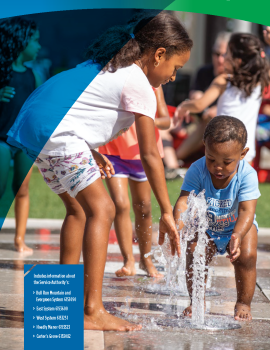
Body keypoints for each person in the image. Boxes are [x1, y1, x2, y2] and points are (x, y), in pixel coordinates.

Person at [6, 12, 192, 331]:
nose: (174, 77)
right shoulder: (138, 82)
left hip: (38, 129)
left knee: (78, 211)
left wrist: (91, 151)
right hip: (57, 134)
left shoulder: (110, 65)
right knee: (102, 209)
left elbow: (73, 105)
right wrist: (166, 212)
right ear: (159, 54)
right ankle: (91, 310)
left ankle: (65, 300)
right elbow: (150, 153)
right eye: (175, 68)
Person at [174, 116, 260, 321]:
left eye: (227, 162)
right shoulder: (197, 169)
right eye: (211, 159)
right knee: (195, 253)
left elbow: (247, 211)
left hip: (238, 227)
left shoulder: (247, 175)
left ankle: (243, 302)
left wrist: (237, 234)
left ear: (243, 154)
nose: (218, 167)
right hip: (207, 227)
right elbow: (184, 201)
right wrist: (178, 227)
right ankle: (197, 301)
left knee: (247, 257)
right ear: (204, 147)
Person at [175, 27, 270, 164]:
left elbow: (199, 105)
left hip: (221, 149)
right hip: (245, 152)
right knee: (240, 185)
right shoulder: (258, 82)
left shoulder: (224, 81)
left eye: (227, 53)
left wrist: (184, 106)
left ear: (237, 61)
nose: (223, 57)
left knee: (215, 184)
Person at [99, 86, 170, 278]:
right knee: (120, 205)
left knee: (143, 207)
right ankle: (128, 261)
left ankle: (145, 260)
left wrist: (145, 120)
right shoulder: (115, 80)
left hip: (141, 152)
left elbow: (166, 121)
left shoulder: (154, 85)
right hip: (112, 150)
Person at [160, 32, 231, 172]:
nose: (220, 59)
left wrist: (197, 104)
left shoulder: (231, 79)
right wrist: (195, 101)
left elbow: (201, 105)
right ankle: (173, 167)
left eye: (224, 55)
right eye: (216, 54)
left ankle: (173, 162)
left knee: (209, 121)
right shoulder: (204, 72)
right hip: (192, 120)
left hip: (214, 128)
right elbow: (195, 99)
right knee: (162, 126)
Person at [0, 17, 42, 252]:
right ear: (20, 40)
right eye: (35, 41)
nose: (38, 46)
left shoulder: (33, 76)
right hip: (2, 140)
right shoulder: (2, 73)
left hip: (24, 142)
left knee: (22, 189)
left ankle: (19, 239)